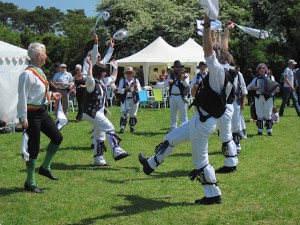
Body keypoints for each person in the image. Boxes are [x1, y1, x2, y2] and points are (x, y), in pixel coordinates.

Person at [139, 13, 227, 205]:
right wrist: (224, 32)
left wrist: (206, 27)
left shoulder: (218, 70)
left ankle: (213, 195)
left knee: (200, 161)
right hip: (199, 120)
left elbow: (208, 50)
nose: (212, 51)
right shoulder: (218, 72)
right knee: (171, 138)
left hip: (203, 123)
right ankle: (151, 165)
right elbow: (220, 49)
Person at [17, 42, 63, 193]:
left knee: (57, 137)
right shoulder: (27, 74)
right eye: (45, 53)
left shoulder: (40, 71)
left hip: (41, 112)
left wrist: (51, 95)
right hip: (31, 114)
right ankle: (30, 182)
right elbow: (23, 98)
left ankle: (45, 167)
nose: (46, 56)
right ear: (38, 56)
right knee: (34, 148)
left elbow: (38, 94)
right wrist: (23, 118)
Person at [83, 57, 129, 166]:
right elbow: (89, 77)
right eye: (104, 71)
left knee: (100, 135)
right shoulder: (92, 83)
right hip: (91, 112)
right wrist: (90, 65)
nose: (106, 73)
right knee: (110, 128)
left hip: (97, 112)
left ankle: (99, 159)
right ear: (100, 73)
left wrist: (116, 67)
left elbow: (113, 78)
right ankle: (116, 150)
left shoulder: (102, 81)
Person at [214, 21, 239, 174]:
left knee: (225, 136)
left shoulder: (221, 69)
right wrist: (226, 31)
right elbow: (224, 46)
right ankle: (233, 160)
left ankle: (230, 164)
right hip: (227, 105)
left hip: (223, 106)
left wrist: (223, 32)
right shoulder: (228, 67)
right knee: (226, 135)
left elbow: (222, 47)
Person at [247, 63, 275, 135]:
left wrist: (276, 90)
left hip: (268, 97)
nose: (261, 69)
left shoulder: (270, 78)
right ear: (258, 70)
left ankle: (269, 131)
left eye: (263, 68)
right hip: (258, 97)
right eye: (259, 68)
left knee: (268, 113)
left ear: (265, 69)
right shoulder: (256, 79)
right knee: (259, 114)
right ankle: (260, 130)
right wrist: (254, 88)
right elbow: (248, 87)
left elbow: (275, 87)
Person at [165, 60, 190, 131]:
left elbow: (186, 85)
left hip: (181, 96)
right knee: (173, 114)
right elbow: (165, 84)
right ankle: (173, 128)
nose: (177, 68)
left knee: (183, 113)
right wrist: (169, 82)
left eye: (179, 67)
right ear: (174, 68)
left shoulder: (185, 75)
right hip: (172, 96)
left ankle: (184, 128)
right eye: (176, 67)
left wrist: (182, 80)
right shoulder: (170, 76)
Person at [118, 67, 142, 133]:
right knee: (124, 113)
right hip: (125, 99)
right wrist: (126, 89)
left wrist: (135, 88)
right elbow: (120, 90)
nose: (129, 74)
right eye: (127, 73)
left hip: (134, 99)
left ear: (133, 73)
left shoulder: (136, 81)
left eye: (130, 73)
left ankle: (132, 127)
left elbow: (139, 90)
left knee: (133, 114)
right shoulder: (122, 80)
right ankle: (122, 128)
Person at [231, 69, 248, 153]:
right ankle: (227, 144)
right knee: (225, 125)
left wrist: (243, 102)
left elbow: (244, 88)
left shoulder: (238, 74)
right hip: (224, 103)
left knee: (235, 124)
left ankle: (237, 143)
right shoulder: (221, 72)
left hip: (235, 101)